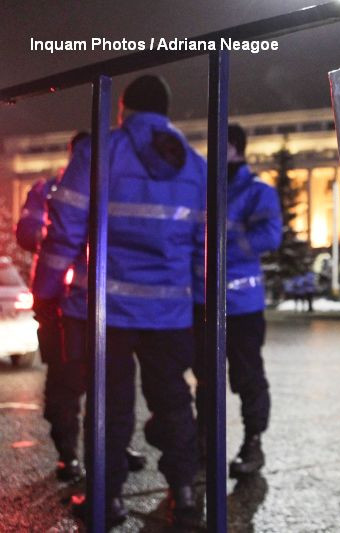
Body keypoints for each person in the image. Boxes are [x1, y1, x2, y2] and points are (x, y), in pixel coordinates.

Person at [32, 75, 206, 527]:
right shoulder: (194, 165)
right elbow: (206, 244)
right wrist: (201, 302)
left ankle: (105, 501)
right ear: (166, 111)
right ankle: (185, 492)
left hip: (107, 309)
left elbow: (65, 229)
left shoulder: (99, 151)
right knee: (172, 401)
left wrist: (46, 290)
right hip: (169, 312)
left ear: (122, 110)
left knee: (109, 406)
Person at [15, 132, 146, 483]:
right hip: (56, 300)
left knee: (114, 379)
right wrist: (56, 234)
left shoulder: (112, 190)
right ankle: (68, 454)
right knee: (65, 379)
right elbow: (27, 234)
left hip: (100, 300)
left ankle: (113, 447)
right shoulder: (48, 190)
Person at [194, 124, 281, 478]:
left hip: (242, 305)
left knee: (247, 377)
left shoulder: (257, 190)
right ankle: (204, 445)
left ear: (232, 147)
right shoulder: (204, 189)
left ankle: (253, 444)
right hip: (203, 301)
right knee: (205, 378)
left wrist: (221, 247)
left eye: (216, 146)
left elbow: (270, 236)